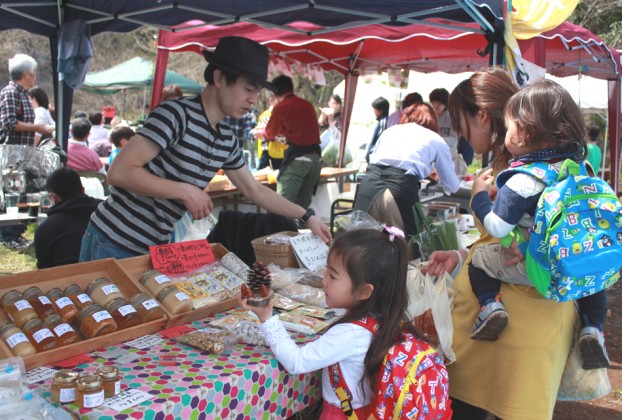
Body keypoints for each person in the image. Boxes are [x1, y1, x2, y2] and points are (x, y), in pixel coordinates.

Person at [80, 36, 330, 262]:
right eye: (248, 89)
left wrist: (307, 216)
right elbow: (119, 172)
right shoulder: (176, 115)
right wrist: (185, 191)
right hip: (112, 240)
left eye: (257, 91)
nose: (253, 99)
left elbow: (254, 190)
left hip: (155, 247)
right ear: (220, 78)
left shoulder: (226, 139)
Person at [422, 68, 575, 420]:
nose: (460, 133)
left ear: (480, 115)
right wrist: (461, 255)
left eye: (460, 122)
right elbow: (504, 237)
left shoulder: (516, 169)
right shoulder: (554, 163)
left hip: (507, 324)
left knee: (469, 408)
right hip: (539, 319)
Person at [466, 79, 610, 366]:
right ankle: (592, 328)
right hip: (575, 261)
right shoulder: (580, 170)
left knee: (478, 260)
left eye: (508, 127)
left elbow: (497, 226)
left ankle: (490, 307)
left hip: (538, 267)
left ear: (525, 133)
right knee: (595, 278)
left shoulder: (523, 179)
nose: (506, 133)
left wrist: (479, 197)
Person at [241, 228, 451, 419]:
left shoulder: (349, 333)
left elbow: (297, 361)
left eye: (333, 276)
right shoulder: (386, 317)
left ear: (364, 291)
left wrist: (267, 318)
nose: (324, 280)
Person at [353, 103, 459, 237]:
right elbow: (452, 185)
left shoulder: (390, 131)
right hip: (400, 189)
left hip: (368, 185)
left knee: (360, 246)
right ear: (432, 121)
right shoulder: (435, 139)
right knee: (408, 248)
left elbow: (373, 158)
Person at [0, 54, 52, 250]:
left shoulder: (22, 93)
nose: (35, 76)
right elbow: (9, 123)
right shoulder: (11, 92)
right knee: (11, 192)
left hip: (22, 153)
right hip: (10, 152)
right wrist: (36, 128)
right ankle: (8, 235)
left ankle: (16, 232)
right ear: (27, 74)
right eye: (34, 73)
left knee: (21, 191)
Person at [264, 75, 322, 209]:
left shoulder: (281, 107)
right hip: (316, 160)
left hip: (298, 159)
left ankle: (283, 230)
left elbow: (269, 133)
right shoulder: (308, 104)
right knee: (302, 209)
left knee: (282, 206)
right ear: (292, 87)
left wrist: (262, 132)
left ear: (275, 92)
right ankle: (302, 230)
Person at [34, 168, 102, 269]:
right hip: (110, 276)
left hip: (65, 281)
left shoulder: (46, 228)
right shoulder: (105, 211)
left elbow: (44, 270)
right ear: (83, 190)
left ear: (53, 197)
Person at [429, 87, 467, 177]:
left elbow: (454, 139)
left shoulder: (452, 117)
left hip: (450, 156)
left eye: (439, 103)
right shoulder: (431, 116)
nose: (435, 106)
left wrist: (438, 139)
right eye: (433, 103)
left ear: (445, 103)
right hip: (434, 156)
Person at [252, 93, 286, 170]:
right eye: (279, 101)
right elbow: (268, 134)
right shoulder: (266, 116)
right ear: (271, 101)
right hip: (268, 155)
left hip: (282, 154)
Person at [365, 96, 389, 163]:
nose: (373, 111)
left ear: (380, 110)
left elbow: (379, 140)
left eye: (374, 109)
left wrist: (369, 155)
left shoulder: (383, 122)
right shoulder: (383, 121)